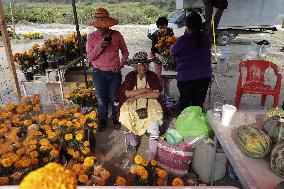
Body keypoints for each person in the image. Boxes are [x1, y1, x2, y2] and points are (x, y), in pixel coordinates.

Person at [115, 52, 164, 160]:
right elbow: (127, 93)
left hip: (150, 101)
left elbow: (156, 94)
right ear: (135, 66)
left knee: (154, 124)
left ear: (147, 65)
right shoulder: (131, 76)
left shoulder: (152, 75)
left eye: (144, 65)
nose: (142, 67)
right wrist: (146, 89)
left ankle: (152, 157)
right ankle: (133, 142)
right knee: (124, 116)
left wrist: (137, 95)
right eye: (139, 65)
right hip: (132, 101)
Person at [86, 8, 129, 131]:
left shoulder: (116, 34)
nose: (101, 27)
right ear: (95, 25)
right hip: (98, 72)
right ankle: (103, 120)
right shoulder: (91, 37)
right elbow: (90, 57)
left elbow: (125, 52)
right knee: (101, 99)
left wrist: (121, 64)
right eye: (98, 25)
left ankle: (116, 120)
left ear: (108, 24)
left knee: (114, 98)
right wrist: (100, 46)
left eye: (103, 25)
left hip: (114, 73)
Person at [171, 12, 212, 112]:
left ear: (187, 26)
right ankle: (197, 124)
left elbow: (173, 51)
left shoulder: (183, 39)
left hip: (186, 78)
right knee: (198, 105)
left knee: (184, 104)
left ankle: (184, 124)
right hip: (204, 77)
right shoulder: (206, 37)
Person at [150, 16, 174, 96]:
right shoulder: (155, 35)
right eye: (160, 28)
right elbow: (153, 50)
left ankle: (167, 93)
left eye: (164, 27)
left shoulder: (170, 32)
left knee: (167, 75)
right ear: (158, 28)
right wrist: (159, 56)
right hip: (156, 56)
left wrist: (170, 50)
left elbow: (173, 43)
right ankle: (159, 93)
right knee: (159, 75)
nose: (162, 30)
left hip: (168, 55)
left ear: (167, 26)